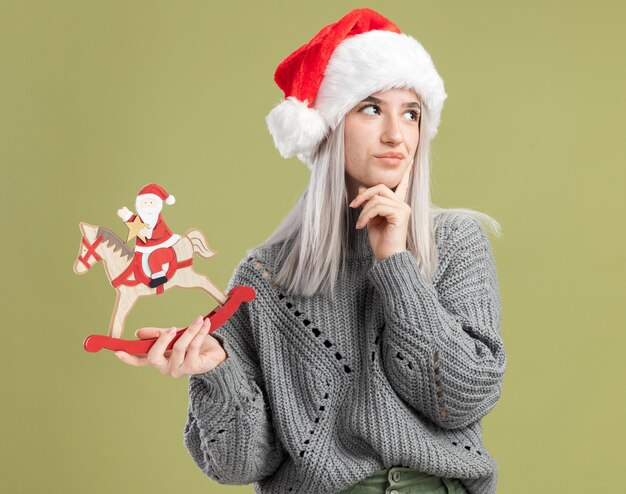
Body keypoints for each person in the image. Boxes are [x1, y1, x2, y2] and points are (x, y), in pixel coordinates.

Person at [115, 8, 506, 494]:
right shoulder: (264, 277)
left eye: (411, 113)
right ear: (328, 126)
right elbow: (239, 465)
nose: (396, 134)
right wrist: (218, 372)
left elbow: (463, 397)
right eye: (370, 108)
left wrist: (396, 263)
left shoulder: (456, 242)